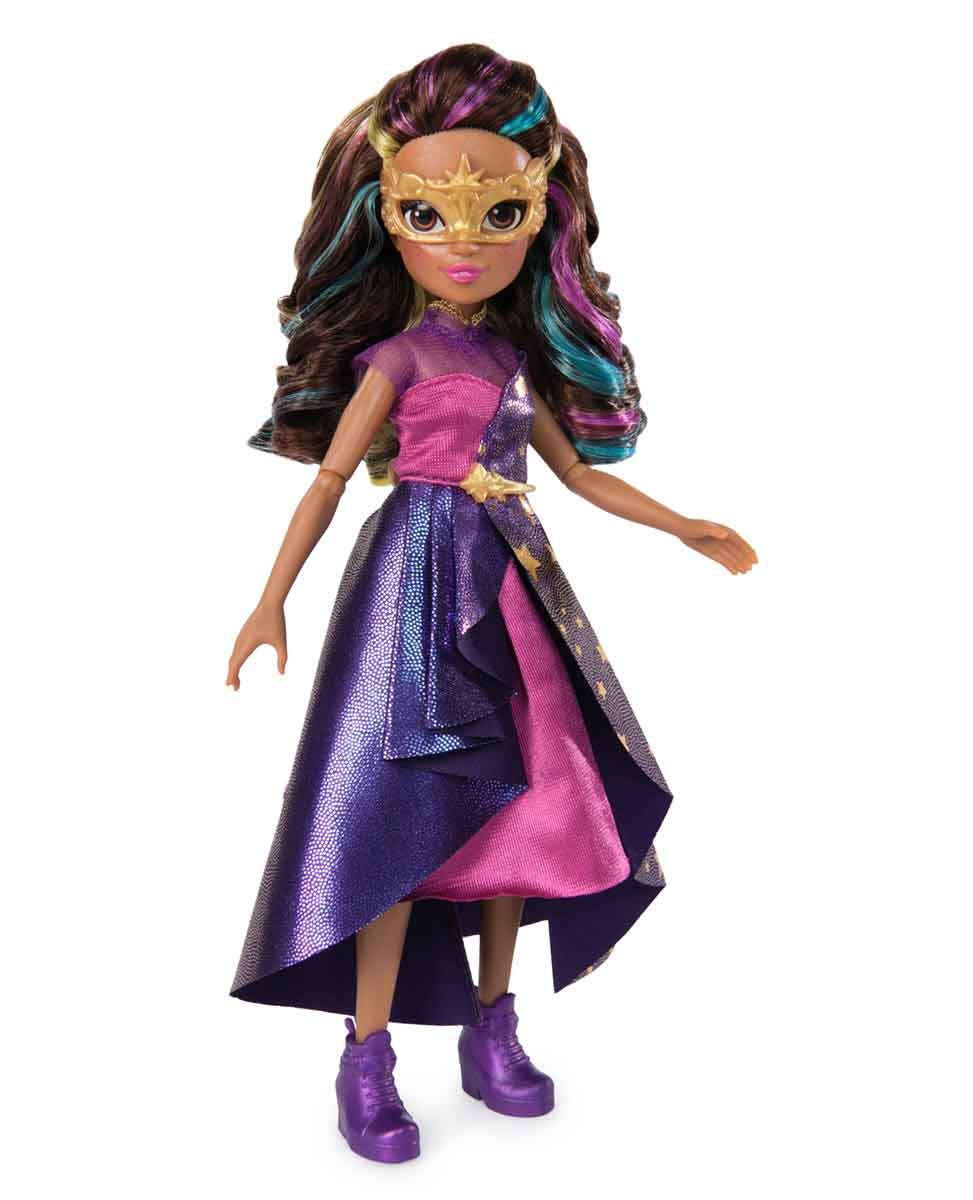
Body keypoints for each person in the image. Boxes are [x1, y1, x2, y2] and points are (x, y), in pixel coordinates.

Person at [226, 43, 758, 1164]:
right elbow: (331, 480)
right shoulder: (396, 358)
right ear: (386, 219)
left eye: (498, 213)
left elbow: (576, 474)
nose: (462, 241)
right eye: (428, 215)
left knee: (519, 801)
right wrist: (270, 599)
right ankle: (366, 1053)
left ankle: (491, 1026)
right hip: (410, 585)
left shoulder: (514, 359)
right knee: (392, 812)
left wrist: (682, 524)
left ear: (540, 218)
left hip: (513, 580)